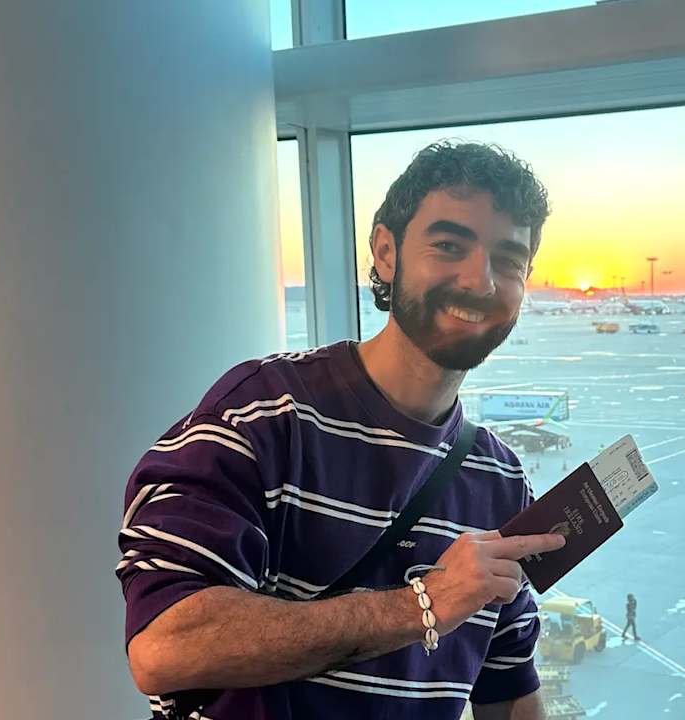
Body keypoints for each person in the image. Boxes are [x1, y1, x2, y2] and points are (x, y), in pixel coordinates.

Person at [116, 142, 565, 719]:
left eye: (508, 260)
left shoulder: (499, 480)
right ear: (386, 252)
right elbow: (164, 647)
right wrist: (425, 604)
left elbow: (508, 686)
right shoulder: (266, 414)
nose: (480, 282)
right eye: (449, 246)